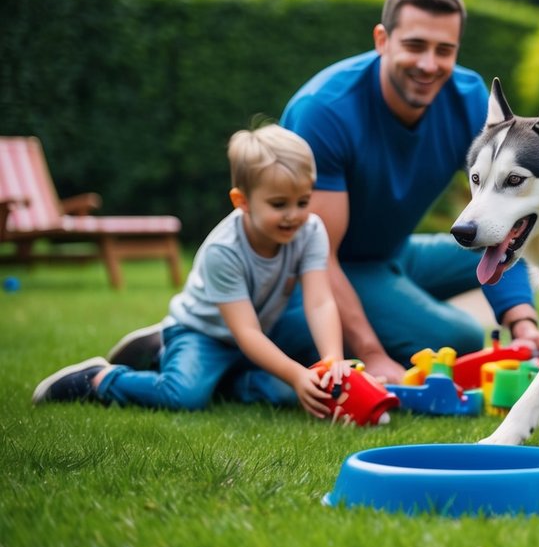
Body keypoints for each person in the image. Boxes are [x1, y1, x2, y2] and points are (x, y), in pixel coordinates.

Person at [267, 0, 539, 383]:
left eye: (444, 50)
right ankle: (248, 339)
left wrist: (522, 323)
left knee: (506, 241)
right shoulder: (324, 111)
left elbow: (499, 217)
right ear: (382, 40)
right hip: (315, 272)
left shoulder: (468, 98)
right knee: (463, 338)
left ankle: (403, 311)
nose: (429, 64)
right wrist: (373, 353)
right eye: (415, 45)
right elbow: (317, 254)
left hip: (395, 255)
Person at [33, 125, 351, 416]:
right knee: (183, 396)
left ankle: (220, 381)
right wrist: (296, 374)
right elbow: (246, 333)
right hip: (204, 333)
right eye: (279, 204)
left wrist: (332, 360)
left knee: (294, 392)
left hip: (258, 333)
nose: (293, 216)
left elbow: (319, 302)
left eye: (303, 201)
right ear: (242, 201)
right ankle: (100, 379)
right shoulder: (223, 251)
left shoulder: (310, 230)